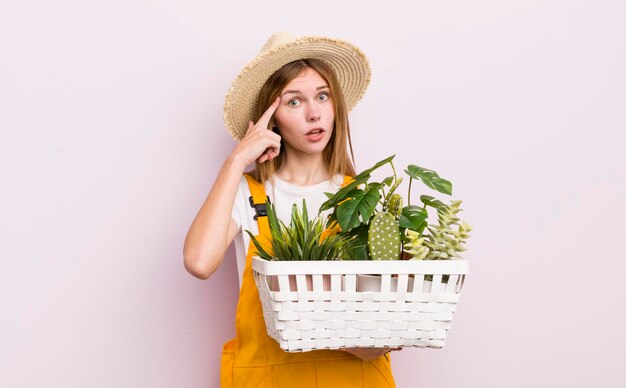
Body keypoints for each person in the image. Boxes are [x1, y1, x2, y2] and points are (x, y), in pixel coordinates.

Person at [183, 32, 397, 387]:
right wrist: (237, 159)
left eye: (323, 96)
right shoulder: (247, 194)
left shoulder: (363, 199)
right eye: (294, 102)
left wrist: (368, 338)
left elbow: (380, 324)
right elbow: (199, 262)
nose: (314, 113)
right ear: (272, 117)